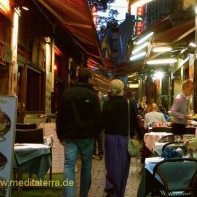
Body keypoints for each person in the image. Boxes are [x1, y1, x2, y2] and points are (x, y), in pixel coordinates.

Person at [56, 67, 101, 197]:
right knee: (86, 166)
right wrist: (95, 134)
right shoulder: (92, 95)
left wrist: (60, 134)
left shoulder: (67, 93)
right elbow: (98, 117)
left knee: (69, 166)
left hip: (70, 136)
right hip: (87, 136)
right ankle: (83, 194)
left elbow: (61, 116)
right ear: (89, 79)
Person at [101, 79, 142, 197]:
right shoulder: (129, 104)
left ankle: (111, 188)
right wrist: (140, 135)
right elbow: (135, 121)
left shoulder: (107, 104)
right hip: (124, 139)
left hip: (110, 138)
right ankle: (119, 192)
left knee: (111, 165)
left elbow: (102, 122)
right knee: (123, 168)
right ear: (122, 89)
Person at [93, 91, 105, 160]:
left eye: (100, 94)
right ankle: (94, 152)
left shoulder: (103, 103)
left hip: (100, 123)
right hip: (94, 124)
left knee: (100, 138)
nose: (99, 96)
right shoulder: (94, 103)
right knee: (94, 139)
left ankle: (100, 152)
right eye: (98, 94)